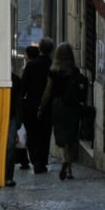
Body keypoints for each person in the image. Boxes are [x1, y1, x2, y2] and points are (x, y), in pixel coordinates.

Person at [39, 42, 86, 181]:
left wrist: (41, 106)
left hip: (58, 106)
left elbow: (48, 91)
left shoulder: (53, 71)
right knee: (71, 138)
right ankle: (69, 169)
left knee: (61, 138)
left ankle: (65, 160)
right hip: (72, 107)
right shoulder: (74, 71)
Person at [21, 37, 54, 174]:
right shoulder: (52, 65)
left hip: (31, 106)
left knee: (33, 134)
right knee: (45, 135)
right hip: (47, 106)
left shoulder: (31, 65)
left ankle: (36, 160)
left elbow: (23, 87)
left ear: (40, 48)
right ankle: (42, 161)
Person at [5, 72, 23, 187]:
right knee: (10, 146)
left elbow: (18, 101)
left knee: (10, 146)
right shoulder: (15, 79)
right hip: (10, 116)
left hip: (10, 116)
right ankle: (7, 176)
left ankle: (8, 176)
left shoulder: (15, 79)